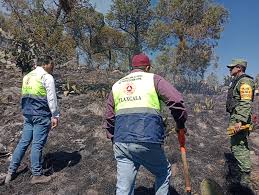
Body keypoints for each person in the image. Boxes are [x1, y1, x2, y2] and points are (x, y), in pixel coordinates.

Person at [104, 53, 187, 195]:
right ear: (148, 67)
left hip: (121, 141)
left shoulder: (117, 85)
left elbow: (109, 116)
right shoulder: (153, 79)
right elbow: (177, 101)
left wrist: (113, 136)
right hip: (147, 139)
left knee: (124, 187)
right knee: (163, 171)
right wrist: (180, 123)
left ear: (132, 67)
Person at [5, 55, 59, 184]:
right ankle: (36, 174)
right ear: (47, 64)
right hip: (41, 114)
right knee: (37, 145)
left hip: (28, 114)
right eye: (52, 65)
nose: (53, 68)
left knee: (23, 142)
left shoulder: (27, 76)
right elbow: (52, 98)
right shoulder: (46, 77)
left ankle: (11, 172)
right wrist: (55, 115)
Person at [226, 59, 255, 189]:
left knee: (239, 146)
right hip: (236, 117)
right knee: (236, 144)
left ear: (239, 68)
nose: (230, 69)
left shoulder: (245, 81)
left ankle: (245, 177)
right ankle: (240, 172)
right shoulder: (237, 81)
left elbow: (245, 102)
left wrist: (240, 121)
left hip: (239, 119)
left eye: (231, 67)